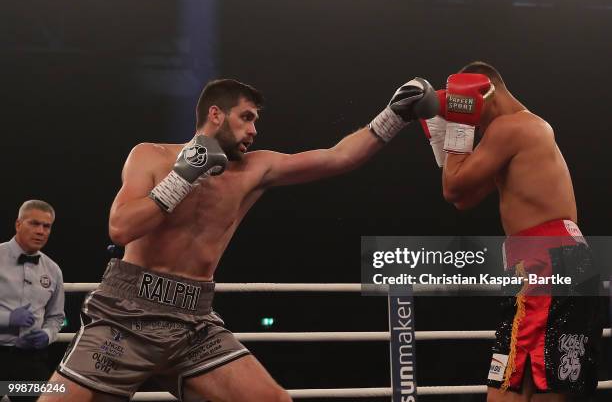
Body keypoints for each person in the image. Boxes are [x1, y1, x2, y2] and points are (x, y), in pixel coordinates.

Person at [41, 77, 439, 402]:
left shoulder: (256, 168)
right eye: (246, 118)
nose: (254, 130)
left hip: (193, 321)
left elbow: (339, 157)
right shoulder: (151, 156)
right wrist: (185, 175)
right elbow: (121, 228)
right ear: (215, 114)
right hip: (125, 315)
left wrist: (394, 114)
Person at [426, 61, 601, 401]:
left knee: (507, 391)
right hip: (569, 262)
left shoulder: (509, 128)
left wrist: (452, 128)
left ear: (485, 93)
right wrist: (444, 132)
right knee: (548, 388)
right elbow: (463, 197)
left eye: (468, 107)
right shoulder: (525, 129)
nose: (471, 120)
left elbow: (451, 188)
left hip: (545, 265)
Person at [0, 200, 65, 402]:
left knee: (50, 398)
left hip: (28, 359)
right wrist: (7, 318)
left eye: (46, 226)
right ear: (18, 224)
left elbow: (56, 317)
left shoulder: (52, 270)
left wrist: (46, 335)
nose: (41, 231)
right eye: (34, 224)